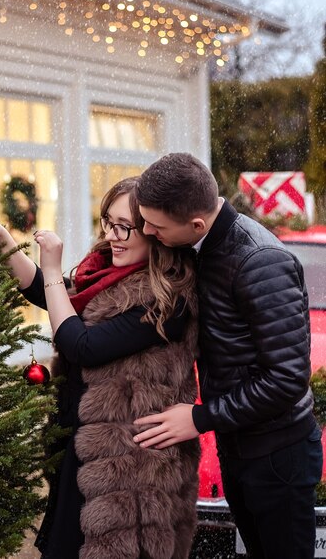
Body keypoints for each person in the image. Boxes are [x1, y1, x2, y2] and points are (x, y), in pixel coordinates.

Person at [0, 176, 200, 559]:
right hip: (82, 448)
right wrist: (4, 241)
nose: (114, 236)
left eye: (125, 227)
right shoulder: (106, 273)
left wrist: (52, 267)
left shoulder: (166, 299)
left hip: (125, 471)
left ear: (154, 232)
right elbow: (52, 295)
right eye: (108, 221)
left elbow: (80, 344)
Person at [132, 152, 323, 559]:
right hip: (241, 445)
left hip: (277, 456)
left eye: (156, 225)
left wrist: (201, 417)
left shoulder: (260, 262)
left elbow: (287, 379)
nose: (147, 231)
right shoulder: (202, 245)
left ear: (196, 224)